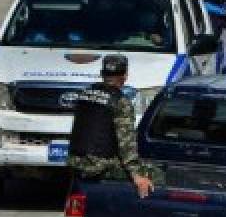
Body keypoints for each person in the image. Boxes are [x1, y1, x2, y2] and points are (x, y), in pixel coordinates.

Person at [65, 54, 159, 197]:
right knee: (157, 173)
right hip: (98, 165)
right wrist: (137, 176)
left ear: (102, 74)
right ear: (125, 76)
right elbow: (126, 144)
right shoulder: (120, 102)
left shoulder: (85, 93)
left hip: (75, 162)